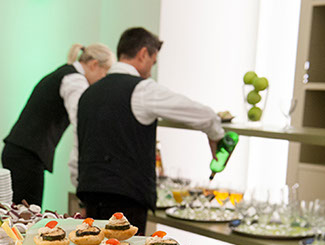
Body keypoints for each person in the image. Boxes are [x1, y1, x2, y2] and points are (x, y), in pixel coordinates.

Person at [76, 27, 224, 234]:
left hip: (90, 194)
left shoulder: (88, 94)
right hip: (126, 199)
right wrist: (217, 135)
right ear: (143, 54)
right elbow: (202, 115)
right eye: (153, 63)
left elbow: (80, 148)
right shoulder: (142, 90)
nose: (150, 71)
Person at [2, 43, 114, 206]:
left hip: (20, 152)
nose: (102, 81)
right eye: (104, 75)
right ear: (94, 64)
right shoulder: (74, 80)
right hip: (27, 156)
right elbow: (82, 122)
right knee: (28, 214)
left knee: (20, 212)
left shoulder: (66, 73)